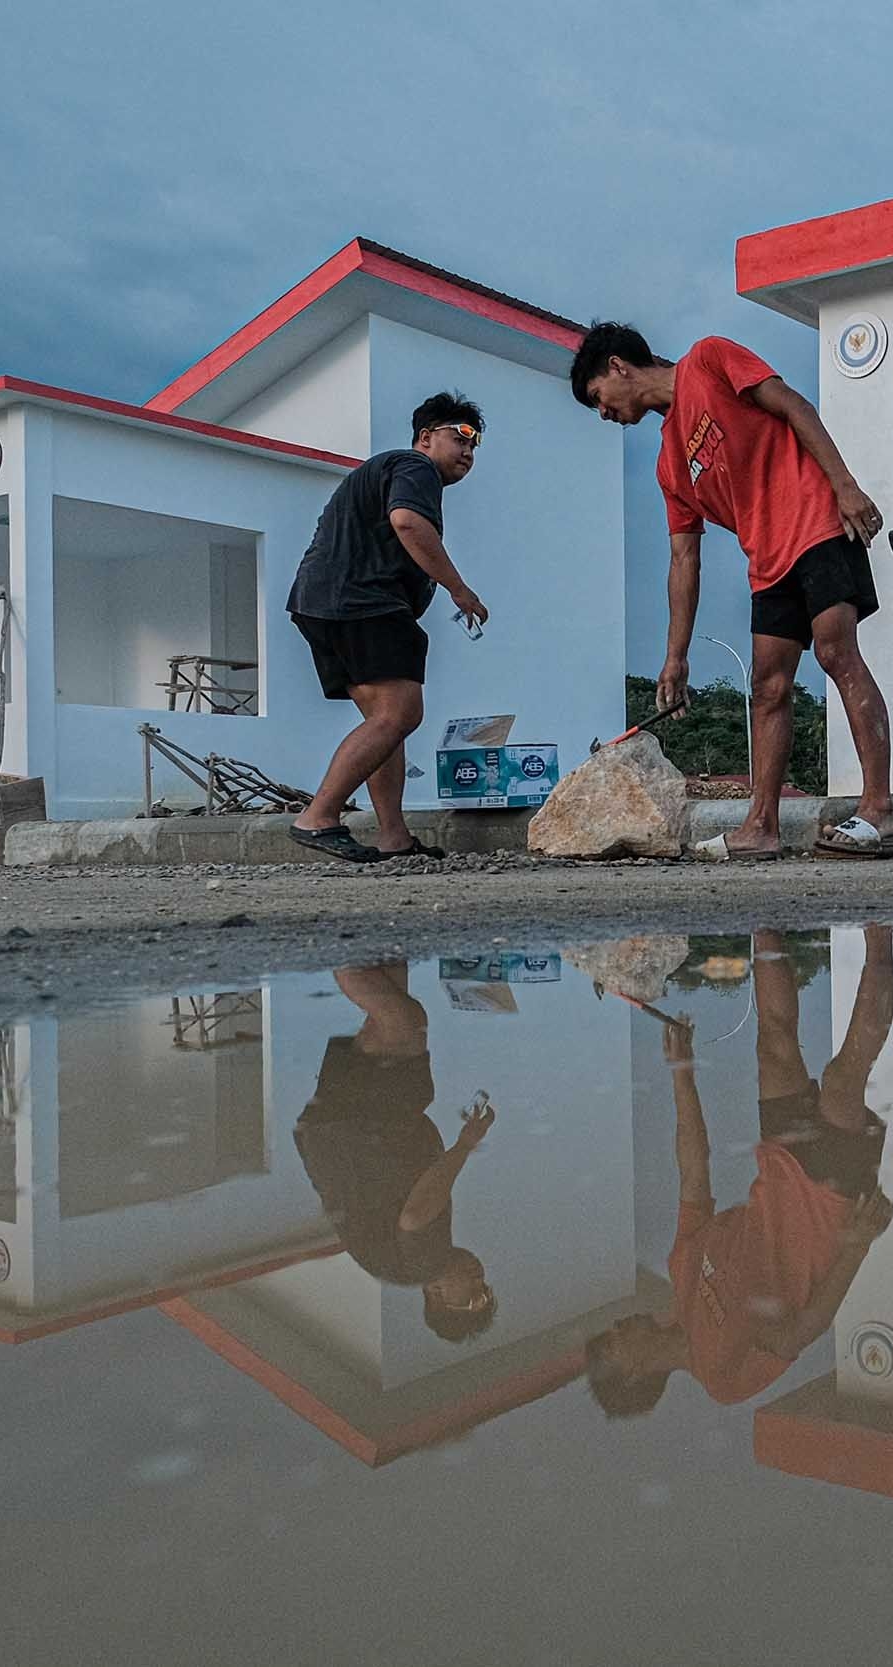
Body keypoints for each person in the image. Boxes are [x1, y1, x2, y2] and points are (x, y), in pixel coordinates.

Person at [571, 324, 893, 860]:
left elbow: (793, 405)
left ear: (617, 366)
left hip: (817, 523)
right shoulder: (669, 465)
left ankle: (878, 808)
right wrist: (675, 656)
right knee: (768, 688)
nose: (603, 412)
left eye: (597, 397)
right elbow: (684, 558)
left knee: (835, 652)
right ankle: (761, 827)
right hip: (767, 562)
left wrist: (845, 486)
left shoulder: (709, 359)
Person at [584, 926, 893, 1416]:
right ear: (635, 1373)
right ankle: (881, 937)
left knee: (774, 1043)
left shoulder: (681, 1271)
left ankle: (763, 922)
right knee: (844, 1078)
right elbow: (801, 1332)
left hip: (781, 1163)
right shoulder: (722, 1379)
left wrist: (682, 1075)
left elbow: (693, 1173)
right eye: (613, 1342)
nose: (617, 1326)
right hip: (828, 1208)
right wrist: (857, 1247)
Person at [286, 392, 491, 863]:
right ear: (426, 437)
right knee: (400, 715)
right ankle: (319, 817)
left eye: (475, 444)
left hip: (322, 604)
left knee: (385, 722)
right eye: (460, 436)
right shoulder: (414, 467)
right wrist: (460, 590)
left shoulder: (389, 471)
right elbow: (408, 523)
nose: (468, 450)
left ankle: (393, 836)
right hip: (364, 603)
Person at [292, 963, 498, 1341]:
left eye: (472, 1298)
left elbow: (415, 1215)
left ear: (437, 1297)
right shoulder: (403, 1266)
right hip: (354, 1132)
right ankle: (377, 942)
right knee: (394, 1013)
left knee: (402, 1022)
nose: (480, 1283)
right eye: (487, 1291)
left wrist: (466, 1144)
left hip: (361, 1131)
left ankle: (339, 952)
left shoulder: (423, 1266)